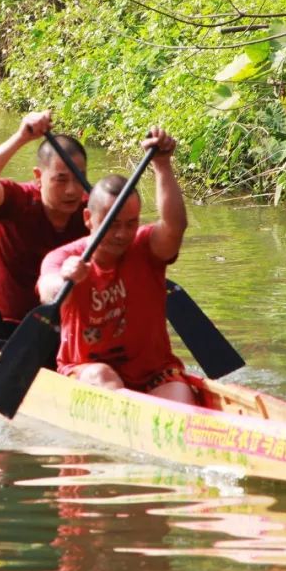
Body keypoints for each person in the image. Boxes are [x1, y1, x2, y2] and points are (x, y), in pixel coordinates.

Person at [37, 127, 194, 404]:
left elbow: (175, 226)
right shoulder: (63, 257)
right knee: (103, 376)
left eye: (130, 224)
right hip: (87, 372)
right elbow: (48, 292)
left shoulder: (146, 247)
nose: (122, 234)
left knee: (181, 394)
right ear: (88, 219)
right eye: (112, 224)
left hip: (153, 374)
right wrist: (66, 279)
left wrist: (162, 165)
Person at [0, 111, 89, 351]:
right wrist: (20, 138)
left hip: (54, 331)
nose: (72, 190)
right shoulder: (17, 200)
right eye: (61, 180)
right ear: (39, 177)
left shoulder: (92, 213)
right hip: (2, 328)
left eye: (79, 178)